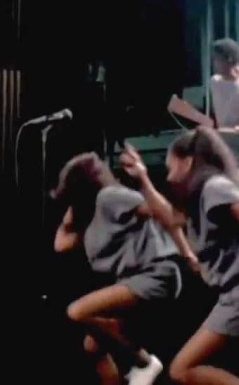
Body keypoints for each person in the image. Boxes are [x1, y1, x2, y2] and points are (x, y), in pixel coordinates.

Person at [118, 126, 239, 384]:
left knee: (182, 369)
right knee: (194, 368)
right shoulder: (201, 196)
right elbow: (169, 218)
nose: (168, 176)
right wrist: (143, 179)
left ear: (188, 162)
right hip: (237, 293)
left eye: (171, 167)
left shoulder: (214, 188)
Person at [52, 152, 199, 385]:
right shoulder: (94, 219)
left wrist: (143, 179)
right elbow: (61, 244)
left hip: (155, 274)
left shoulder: (110, 197)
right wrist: (70, 217)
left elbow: (169, 216)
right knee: (93, 347)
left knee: (77, 311)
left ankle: (144, 362)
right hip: (132, 281)